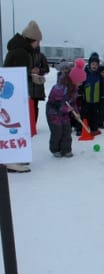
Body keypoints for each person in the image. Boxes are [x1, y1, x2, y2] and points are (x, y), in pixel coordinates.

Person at [3, 20, 43, 173]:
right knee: (15, 125)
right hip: (14, 97)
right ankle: (13, 159)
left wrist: (30, 76)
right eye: (38, 41)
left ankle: (17, 155)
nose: (38, 44)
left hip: (12, 95)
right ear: (32, 39)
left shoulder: (18, 50)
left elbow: (17, 73)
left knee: (16, 125)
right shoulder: (21, 53)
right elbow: (16, 77)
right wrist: (31, 77)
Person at [45, 58, 86, 157]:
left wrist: (76, 113)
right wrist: (66, 109)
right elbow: (56, 104)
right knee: (58, 131)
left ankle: (66, 149)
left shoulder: (74, 89)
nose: (81, 84)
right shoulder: (59, 88)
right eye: (80, 82)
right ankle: (55, 149)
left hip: (64, 113)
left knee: (67, 130)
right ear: (75, 79)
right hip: (53, 112)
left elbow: (72, 103)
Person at [80, 53, 102, 136]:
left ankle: (94, 129)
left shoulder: (99, 75)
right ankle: (82, 128)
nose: (94, 66)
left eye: (96, 64)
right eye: (93, 64)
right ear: (89, 64)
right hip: (86, 99)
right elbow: (81, 85)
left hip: (96, 100)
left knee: (95, 115)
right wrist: (81, 95)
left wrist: (102, 97)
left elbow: (101, 87)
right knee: (85, 115)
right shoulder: (85, 73)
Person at [30, 46, 50, 124]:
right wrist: (29, 70)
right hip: (26, 85)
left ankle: (33, 125)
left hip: (37, 85)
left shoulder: (41, 55)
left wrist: (39, 70)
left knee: (35, 106)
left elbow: (46, 69)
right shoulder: (23, 55)